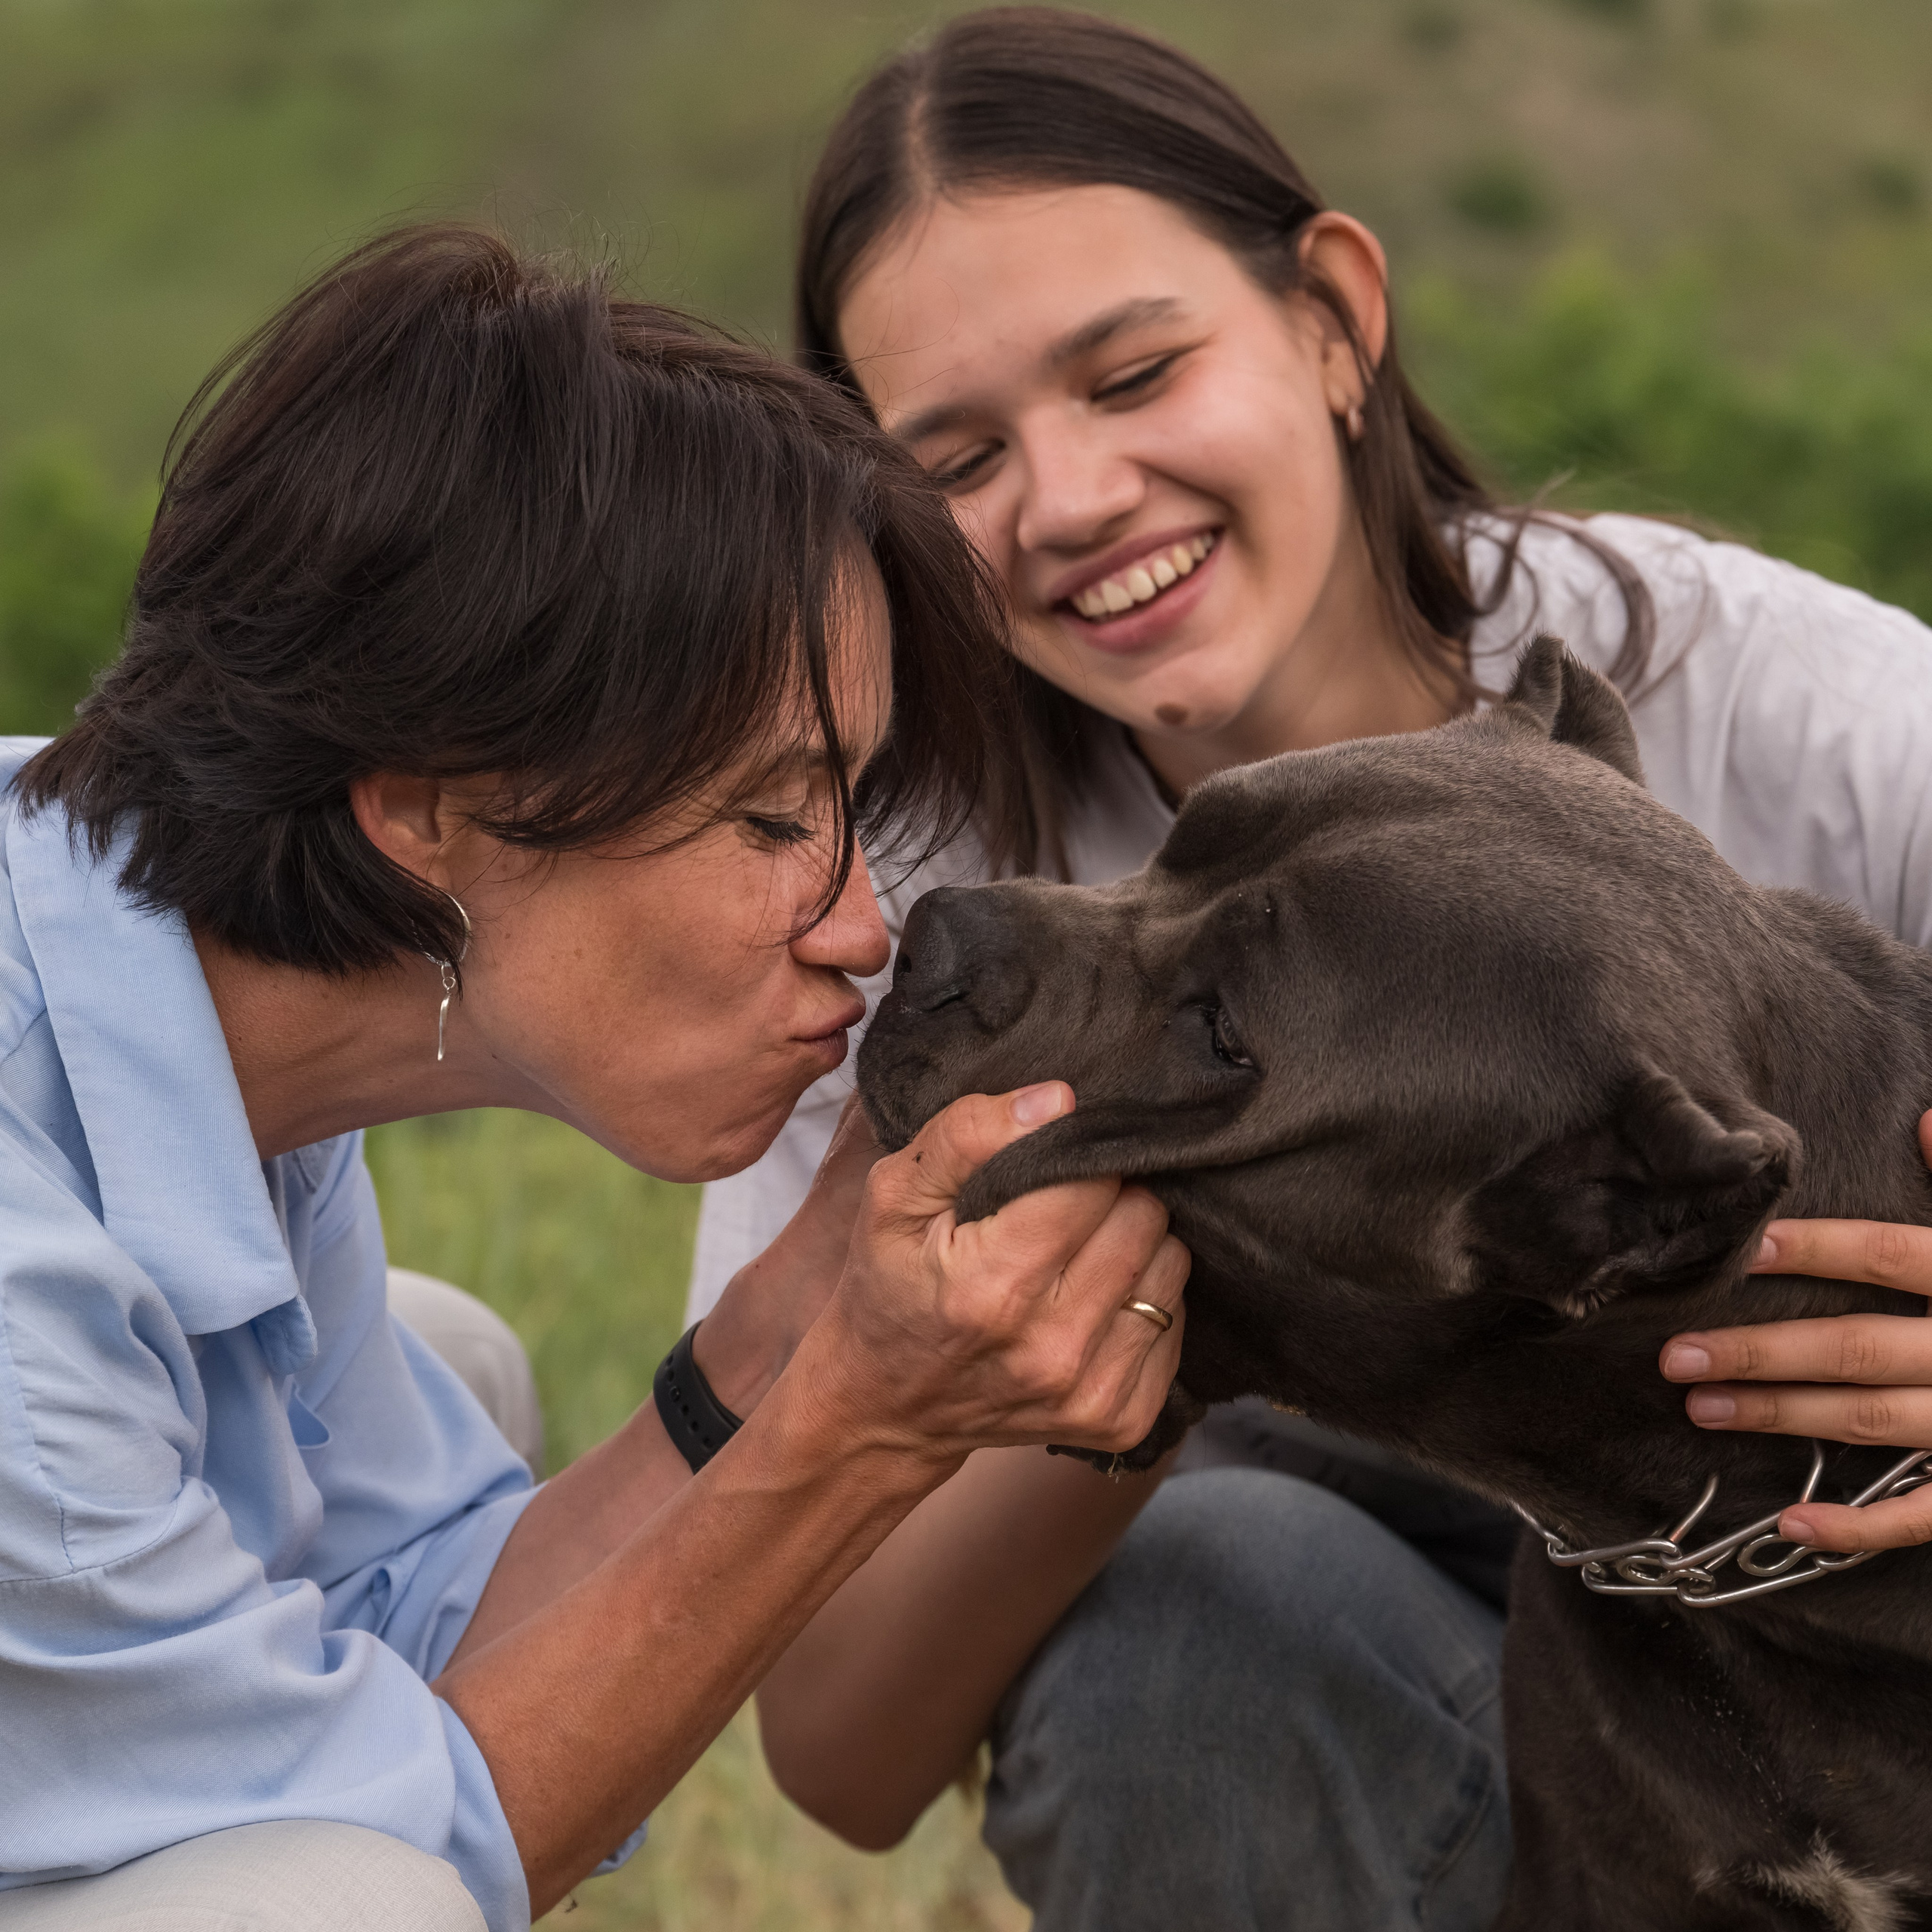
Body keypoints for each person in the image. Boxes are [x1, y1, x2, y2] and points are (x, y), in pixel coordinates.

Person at [688, 11, 1932, 1929]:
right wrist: (1134, 1337)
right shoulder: (901, 927)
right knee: (1175, 1642)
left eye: (1135, 371)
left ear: (1334, 317)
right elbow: (840, 1750)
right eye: (958, 454)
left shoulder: (1750, 698)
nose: (1073, 494)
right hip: (1438, 1694)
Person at [0, 222, 1192, 1932]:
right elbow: (436, 1827)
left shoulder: (170, 960)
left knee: (455, 1366)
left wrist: (785, 1322)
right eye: (775, 815)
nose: (861, 928)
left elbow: (414, 1621)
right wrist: (866, 1421)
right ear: (427, 798)